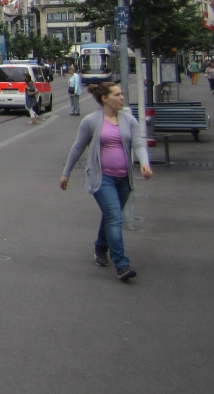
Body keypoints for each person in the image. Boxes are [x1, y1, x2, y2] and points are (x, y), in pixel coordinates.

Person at [59, 82, 152, 281]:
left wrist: (144, 163)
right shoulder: (91, 121)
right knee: (115, 218)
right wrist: (66, 173)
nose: (122, 98)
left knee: (112, 215)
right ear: (105, 98)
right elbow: (78, 147)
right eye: (117, 95)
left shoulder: (128, 119)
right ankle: (122, 264)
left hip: (124, 178)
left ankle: (100, 247)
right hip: (102, 178)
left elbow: (138, 144)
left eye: (122, 94)